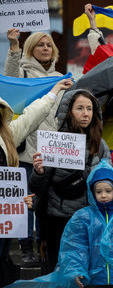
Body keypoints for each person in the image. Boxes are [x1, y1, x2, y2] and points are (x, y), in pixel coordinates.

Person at [0, 78, 70, 288]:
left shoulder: (8, 135)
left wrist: (53, 92)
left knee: (3, 263)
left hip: (5, 222)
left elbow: (32, 115)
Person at [31, 88, 111, 273]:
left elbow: (109, 182)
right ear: (68, 111)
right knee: (57, 272)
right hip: (57, 222)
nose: (85, 114)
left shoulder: (100, 145)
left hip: (89, 220)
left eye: (89, 109)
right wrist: (39, 172)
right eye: (80, 108)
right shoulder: (54, 141)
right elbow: (37, 187)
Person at [4, 29, 65, 266]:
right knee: (25, 200)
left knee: (45, 202)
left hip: (54, 151)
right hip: (28, 150)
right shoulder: (25, 73)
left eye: (48, 45)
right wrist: (13, 47)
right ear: (30, 49)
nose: (45, 48)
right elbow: (10, 78)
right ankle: (25, 245)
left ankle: (43, 244)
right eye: (40, 45)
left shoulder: (61, 77)